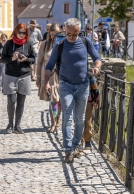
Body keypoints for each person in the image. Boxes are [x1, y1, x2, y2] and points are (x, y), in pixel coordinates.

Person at [43, 18, 102, 163]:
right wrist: (46, 82)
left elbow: (97, 58)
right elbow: (49, 65)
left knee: (80, 119)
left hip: (82, 85)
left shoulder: (85, 42)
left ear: (79, 32)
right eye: (68, 34)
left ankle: (76, 145)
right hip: (66, 85)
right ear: (65, 31)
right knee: (67, 117)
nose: (71, 37)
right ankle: (68, 149)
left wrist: (97, 67)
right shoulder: (60, 45)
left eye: (74, 35)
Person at [0, 23, 35, 134]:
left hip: (24, 76)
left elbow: (33, 59)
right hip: (10, 75)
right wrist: (12, 58)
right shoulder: (9, 44)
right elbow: (2, 59)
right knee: (11, 100)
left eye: (23, 33)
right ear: (15, 32)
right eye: (19, 32)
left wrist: (26, 59)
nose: (21, 35)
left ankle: (17, 125)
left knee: (21, 102)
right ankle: (10, 124)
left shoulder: (28, 44)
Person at [36, 24, 61, 133]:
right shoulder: (45, 45)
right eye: (52, 34)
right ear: (49, 34)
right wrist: (38, 77)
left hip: (60, 73)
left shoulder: (63, 44)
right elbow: (39, 61)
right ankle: (53, 123)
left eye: (56, 33)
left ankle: (58, 119)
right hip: (48, 73)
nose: (54, 36)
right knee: (52, 100)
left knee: (59, 100)